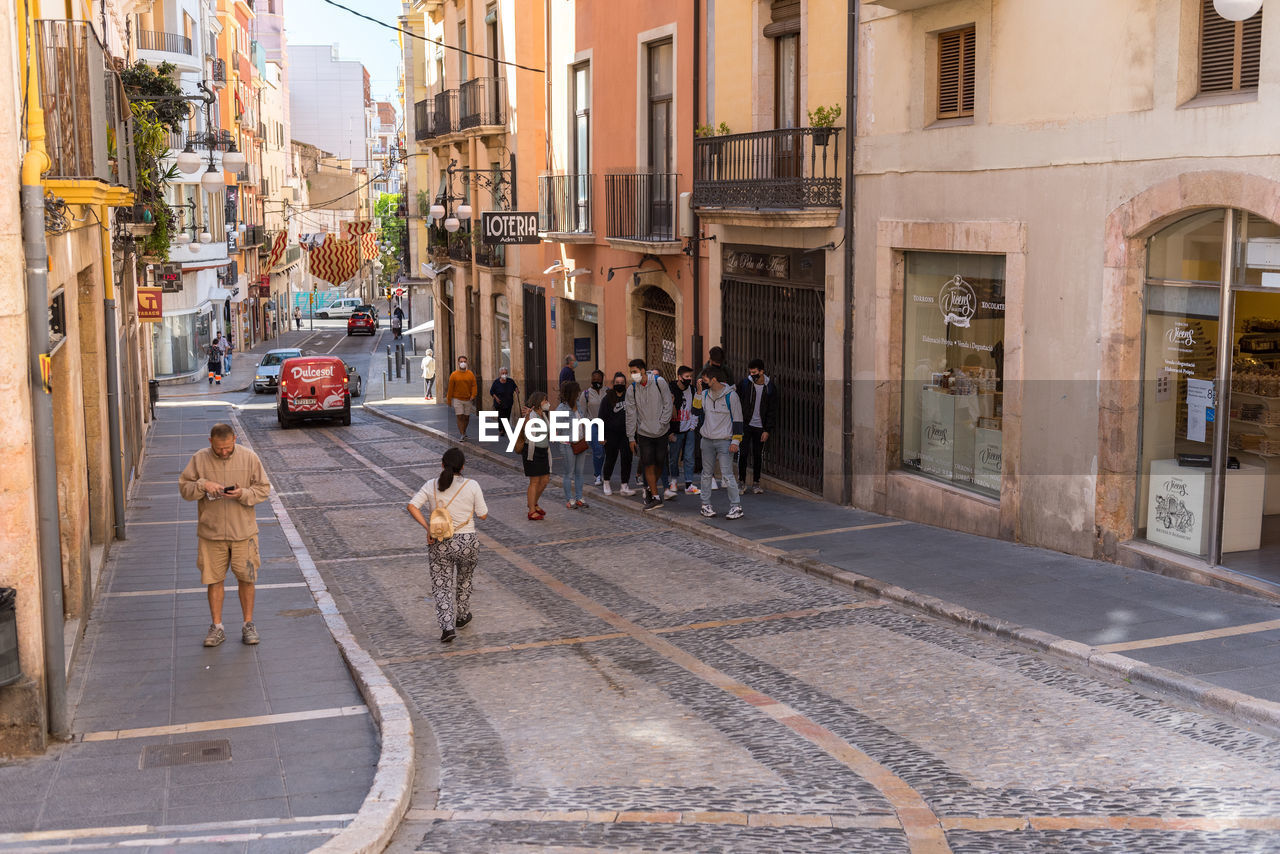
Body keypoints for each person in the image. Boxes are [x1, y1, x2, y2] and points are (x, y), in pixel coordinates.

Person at [178, 423, 273, 647]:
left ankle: (248, 624)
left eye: (228, 447)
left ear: (235, 439)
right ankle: (217, 626)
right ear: (210, 442)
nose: (223, 452)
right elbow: (184, 489)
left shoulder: (249, 458)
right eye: (219, 448)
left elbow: (264, 489)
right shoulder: (199, 459)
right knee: (214, 579)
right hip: (211, 533)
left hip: (244, 532)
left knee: (247, 578)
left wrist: (243, 493)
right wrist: (203, 485)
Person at [407, 447, 489, 643]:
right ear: (462, 467)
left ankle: (447, 627)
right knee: (465, 579)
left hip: (440, 541)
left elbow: (412, 506)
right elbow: (483, 514)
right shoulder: (472, 485)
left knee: (441, 585)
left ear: (442, 464)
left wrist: (428, 527)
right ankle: (462, 616)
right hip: (468, 541)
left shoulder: (431, 485)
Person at [693, 366, 743, 520]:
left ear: (713, 379)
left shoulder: (731, 396)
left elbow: (738, 420)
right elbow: (695, 411)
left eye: (705, 379)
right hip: (707, 440)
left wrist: (736, 441)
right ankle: (705, 505)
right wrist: (699, 392)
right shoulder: (705, 394)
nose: (703, 381)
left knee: (727, 475)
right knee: (706, 474)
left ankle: (736, 506)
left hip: (724, 441)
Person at [624, 357, 672, 511]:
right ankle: (656, 496)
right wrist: (631, 437)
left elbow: (668, 404)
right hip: (644, 433)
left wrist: (662, 423)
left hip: (661, 431)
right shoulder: (632, 389)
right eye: (631, 372)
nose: (633, 375)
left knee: (659, 462)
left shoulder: (659, 382)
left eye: (635, 372)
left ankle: (650, 488)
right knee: (648, 463)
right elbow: (630, 414)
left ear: (643, 370)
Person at [736, 358, 778, 494]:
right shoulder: (745, 384)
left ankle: (756, 483)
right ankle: (741, 482)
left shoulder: (770, 387)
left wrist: (767, 430)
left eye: (755, 372)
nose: (752, 375)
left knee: (757, 455)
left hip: (760, 427)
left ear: (761, 371)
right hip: (746, 425)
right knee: (743, 454)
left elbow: (772, 410)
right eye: (751, 372)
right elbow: (737, 400)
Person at [555, 381, 591, 510]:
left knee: (579, 473)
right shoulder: (561, 408)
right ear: (572, 393)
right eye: (577, 392)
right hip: (568, 444)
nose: (579, 394)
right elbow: (556, 426)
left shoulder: (577, 405)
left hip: (580, 442)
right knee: (569, 473)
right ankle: (570, 499)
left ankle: (579, 498)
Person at [599, 372, 634, 496]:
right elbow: (601, 417)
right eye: (617, 383)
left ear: (626, 384)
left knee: (627, 459)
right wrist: (601, 436)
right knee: (610, 458)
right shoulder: (607, 398)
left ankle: (624, 485)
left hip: (626, 434)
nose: (619, 385)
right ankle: (606, 482)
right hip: (611, 434)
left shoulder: (629, 397)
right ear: (613, 384)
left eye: (622, 383)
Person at [519, 391, 553, 519]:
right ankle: (532, 510)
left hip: (543, 451)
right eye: (545, 400)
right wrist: (526, 417)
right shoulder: (532, 415)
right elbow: (526, 429)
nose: (547, 403)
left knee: (545, 480)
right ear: (538, 402)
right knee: (534, 481)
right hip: (532, 451)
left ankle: (533, 503)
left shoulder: (543, 415)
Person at [668, 365, 699, 497]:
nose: (689, 379)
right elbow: (667, 411)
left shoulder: (692, 390)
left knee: (689, 457)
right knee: (674, 457)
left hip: (689, 428)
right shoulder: (671, 390)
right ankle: (673, 480)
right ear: (679, 377)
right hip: (675, 429)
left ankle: (688, 483)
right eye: (686, 377)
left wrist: (693, 424)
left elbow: (696, 407)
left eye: (691, 376)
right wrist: (669, 431)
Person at [583, 370, 607, 486]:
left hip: (607, 424)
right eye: (594, 379)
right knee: (598, 450)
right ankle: (597, 475)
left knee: (606, 451)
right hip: (592, 424)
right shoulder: (586, 394)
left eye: (598, 379)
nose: (596, 380)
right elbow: (582, 414)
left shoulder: (607, 392)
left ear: (602, 379)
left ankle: (606, 475)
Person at [446, 355, 477, 441]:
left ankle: (464, 431)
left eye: (464, 361)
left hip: (468, 399)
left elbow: (474, 385)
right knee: (460, 416)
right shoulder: (454, 375)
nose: (463, 363)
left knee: (466, 417)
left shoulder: (470, 374)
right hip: (457, 399)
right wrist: (449, 399)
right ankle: (462, 434)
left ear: (467, 363)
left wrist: (473, 395)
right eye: (461, 361)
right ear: (458, 363)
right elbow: (450, 388)